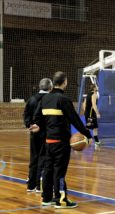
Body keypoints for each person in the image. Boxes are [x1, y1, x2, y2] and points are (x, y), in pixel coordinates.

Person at [31, 71, 92, 209]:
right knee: (59, 171)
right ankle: (61, 199)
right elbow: (75, 120)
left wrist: (36, 126)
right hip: (61, 143)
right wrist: (87, 135)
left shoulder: (44, 99)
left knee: (48, 170)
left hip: (48, 142)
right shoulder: (64, 100)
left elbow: (37, 119)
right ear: (65, 82)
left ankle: (46, 199)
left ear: (54, 82)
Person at [23, 78, 53, 192]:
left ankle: (31, 185)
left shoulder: (32, 99)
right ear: (50, 88)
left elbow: (26, 114)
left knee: (34, 157)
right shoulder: (50, 99)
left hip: (34, 133)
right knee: (44, 159)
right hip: (46, 133)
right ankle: (40, 185)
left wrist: (30, 125)